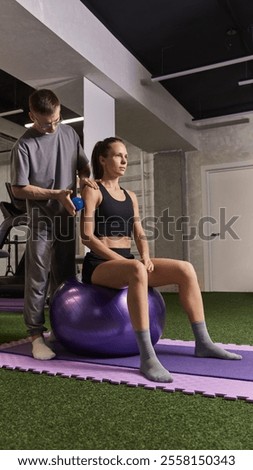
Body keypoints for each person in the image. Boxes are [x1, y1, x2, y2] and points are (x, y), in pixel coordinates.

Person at [80, 137, 242, 383]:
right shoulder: (92, 189)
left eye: (126, 155)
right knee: (135, 269)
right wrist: (123, 261)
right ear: (102, 159)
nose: (124, 160)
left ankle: (203, 342)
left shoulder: (130, 195)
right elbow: (87, 236)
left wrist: (145, 256)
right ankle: (147, 357)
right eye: (117, 155)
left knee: (184, 269)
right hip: (99, 264)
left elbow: (139, 231)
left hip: (128, 261)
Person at [10, 89, 98, 361]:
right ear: (32, 116)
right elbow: (19, 189)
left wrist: (84, 180)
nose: (53, 126)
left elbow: (83, 166)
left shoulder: (69, 134)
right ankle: (36, 335)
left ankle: (62, 327)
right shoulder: (23, 146)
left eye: (57, 120)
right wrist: (57, 193)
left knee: (66, 275)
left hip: (66, 217)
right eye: (46, 122)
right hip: (41, 220)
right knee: (38, 277)